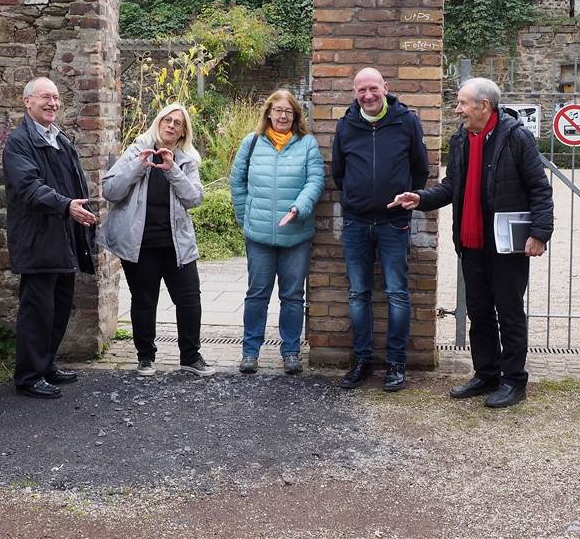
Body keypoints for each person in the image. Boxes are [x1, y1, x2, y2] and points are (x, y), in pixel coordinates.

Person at [389, 77, 553, 408]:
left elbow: (539, 188)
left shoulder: (516, 138)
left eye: (463, 103)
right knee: (478, 311)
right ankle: (486, 373)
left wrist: (539, 234)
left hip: (507, 244)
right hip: (472, 240)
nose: (457, 109)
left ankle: (514, 380)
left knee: (508, 312)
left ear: (484, 106)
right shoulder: (462, 138)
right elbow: (452, 186)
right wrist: (419, 198)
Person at [96, 103, 214, 377]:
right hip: (141, 244)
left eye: (178, 123)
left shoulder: (186, 160)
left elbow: (194, 198)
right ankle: (146, 357)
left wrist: (172, 169)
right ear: (158, 122)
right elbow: (111, 190)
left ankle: (190, 357)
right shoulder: (137, 150)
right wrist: (138, 166)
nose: (171, 125)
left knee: (189, 299)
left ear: (184, 132)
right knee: (144, 300)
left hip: (176, 244)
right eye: (167, 120)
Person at [331, 67, 429, 392]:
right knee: (359, 293)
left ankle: (396, 364)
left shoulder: (406, 122)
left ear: (385, 88)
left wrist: (403, 198)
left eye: (373, 88)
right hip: (356, 223)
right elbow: (339, 173)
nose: (368, 95)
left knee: (397, 293)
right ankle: (362, 360)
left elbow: (420, 168)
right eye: (361, 90)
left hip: (394, 223)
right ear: (354, 92)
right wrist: (356, 198)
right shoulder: (346, 126)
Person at [3, 77, 97, 399]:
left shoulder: (60, 138)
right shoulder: (19, 142)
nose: (53, 103)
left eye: (56, 98)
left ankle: (45, 365)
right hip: (37, 239)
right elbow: (28, 187)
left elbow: (72, 182)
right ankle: (28, 377)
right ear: (27, 102)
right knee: (37, 310)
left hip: (63, 236)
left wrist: (77, 211)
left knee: (58, 306)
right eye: (46, 97)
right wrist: (66, 205)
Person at [229, 90, 325, 375]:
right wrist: (246, 217)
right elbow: (238, 182)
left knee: (293, 296)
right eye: (278, 110)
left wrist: (300, 207)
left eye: (289, 112)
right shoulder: (253, 142)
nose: (283, 116)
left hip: (297, 235)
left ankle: (291, 352)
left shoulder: (307, 144)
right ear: (268, 113)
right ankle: (250, 352)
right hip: (258, 237)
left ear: (296, 116)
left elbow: (316, 180)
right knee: (257, 294)